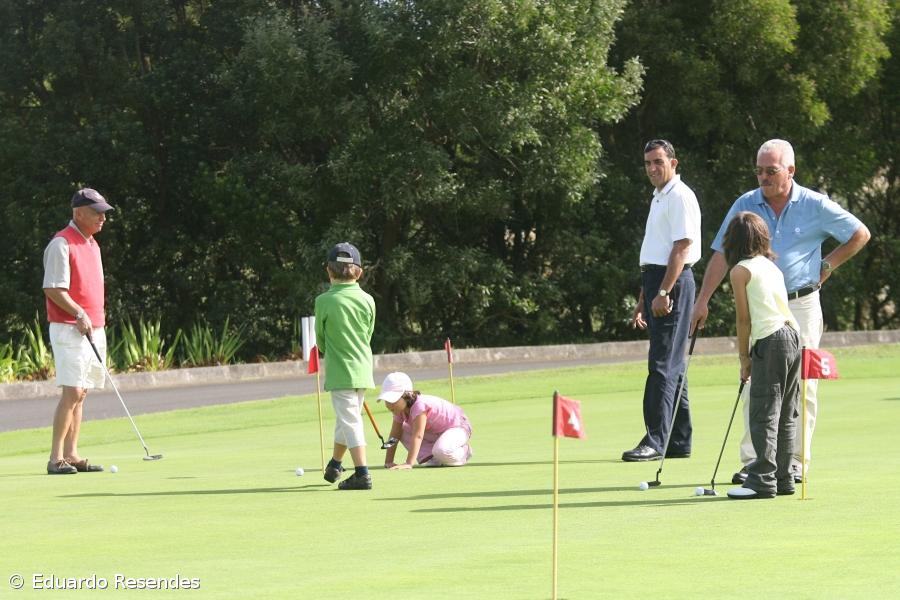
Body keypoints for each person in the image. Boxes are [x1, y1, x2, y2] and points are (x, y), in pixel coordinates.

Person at [692, 139, 870, 483]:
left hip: (801, 303)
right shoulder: (746, 203)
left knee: (804, 384)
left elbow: (859, 233)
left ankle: (796, 463)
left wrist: (829, 264)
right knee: (755, 380)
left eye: (771, 171)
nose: (763, 177)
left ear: (790, 170)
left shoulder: (815, 204)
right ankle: (755, 462)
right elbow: (721, 254)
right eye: (759, 171)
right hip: (760, 303)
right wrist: (703, 300)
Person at [623, 139, 702, 462]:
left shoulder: (679, 196)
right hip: (658, 280)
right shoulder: (659, 196)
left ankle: (655, 440)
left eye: (658, 162)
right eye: (648, 164)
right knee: (672, 365)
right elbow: (655, 251)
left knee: (661, 364)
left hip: (673, 284)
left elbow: (681, 248)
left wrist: (665, 292)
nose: (653, 169)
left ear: (674, 162)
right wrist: (646, 296)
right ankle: (678, 440)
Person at [721, 212, 801, 499]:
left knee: (764, 411)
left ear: (733, 241)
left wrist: (744, 358)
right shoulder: (771, 267)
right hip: (793, 336)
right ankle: (783, 477)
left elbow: (744, 321)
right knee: (786, 412)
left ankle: (761, 481)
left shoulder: (740, 271)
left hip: (771, 339)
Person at [43, 188, 115, 475]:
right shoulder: (62, 243)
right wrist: (78, 313)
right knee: (72, 390)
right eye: (96, 212)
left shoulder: (92, 244)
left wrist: (91, 317)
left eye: (103, 213)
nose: (102, 218)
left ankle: (72, 454)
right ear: (78, 213)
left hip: (93, 327)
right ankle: (55, 458)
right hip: (69, 327)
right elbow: (53, 289)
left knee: (82, 392)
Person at [315, 242, 377, 490]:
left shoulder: (323, 301)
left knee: (350, 420)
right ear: (359, 272)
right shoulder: (368, 299)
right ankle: (335, 464)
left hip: (340, 370)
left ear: (328, 271)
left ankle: (362, 473)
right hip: (363, 368)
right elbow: (368, 333)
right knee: (346, 419)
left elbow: (320, 340)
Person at [377, 372, 473, 468]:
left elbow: (418, 436)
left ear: (406, 395)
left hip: (459, 427)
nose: (388, 405)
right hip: (437, 433)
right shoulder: (399, 410)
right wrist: (388, 461)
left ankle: (464, 452)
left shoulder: (419, 405)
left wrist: (408, 463)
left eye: (392, 400)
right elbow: (394, 436)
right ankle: (432, 457)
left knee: (441, 451)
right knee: (400, 431)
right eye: (386, 400)